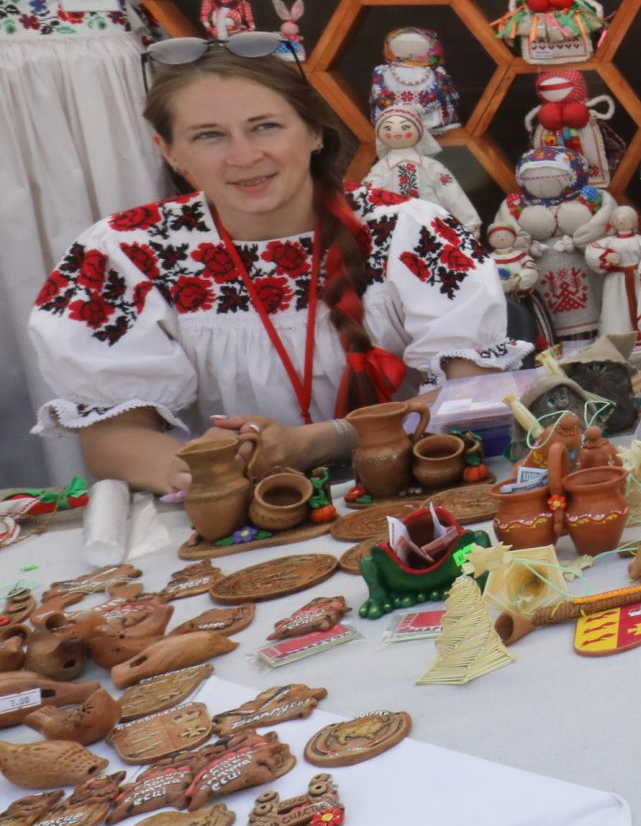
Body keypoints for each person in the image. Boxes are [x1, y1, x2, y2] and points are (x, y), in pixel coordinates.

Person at [26, 39, 520, 496]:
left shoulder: (410, 231)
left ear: (313, 131)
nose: (244, 156)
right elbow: (111, 439)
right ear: (170, 152)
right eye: (209, 135)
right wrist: (207, 470)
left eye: (266, 126)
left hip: (417, 489)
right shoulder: (126, 253)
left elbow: (475, 397)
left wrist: (320, 441)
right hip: (239, 513)